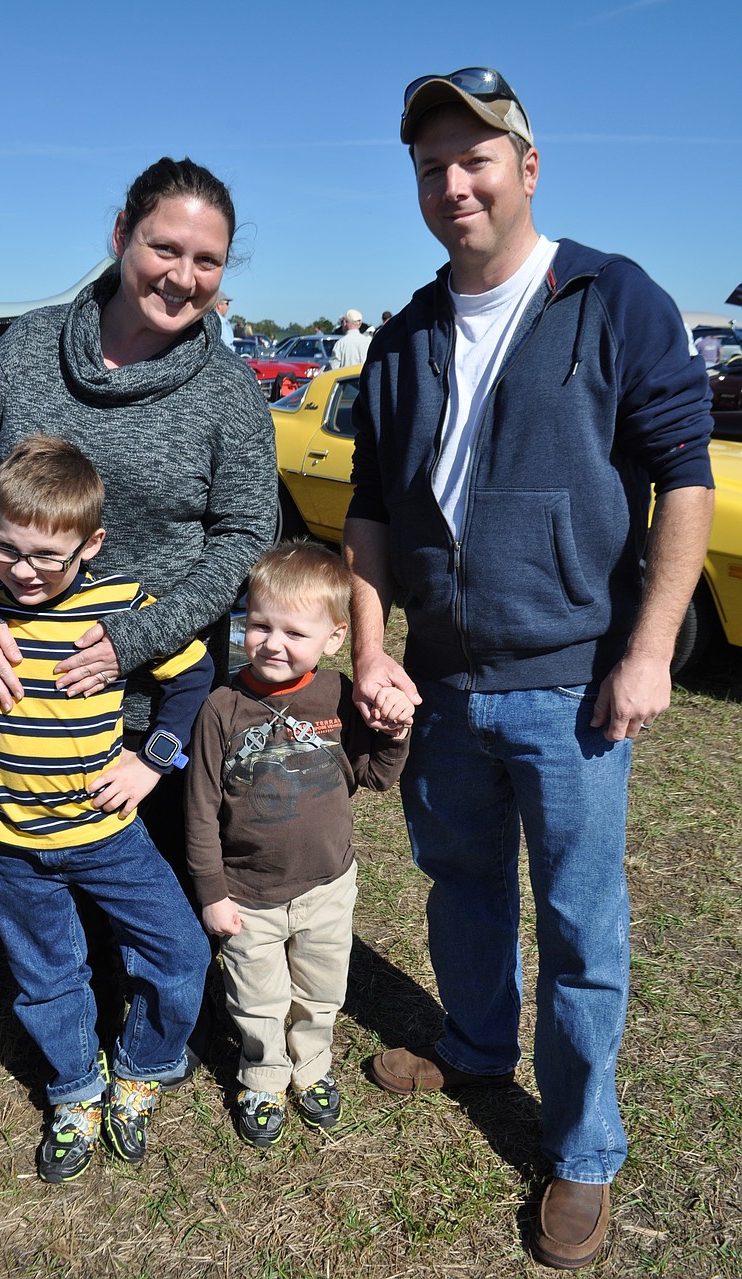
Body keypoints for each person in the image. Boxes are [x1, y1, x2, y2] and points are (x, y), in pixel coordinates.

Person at [343, 66, 714, 1269]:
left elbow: (686, 480)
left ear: (527, 166)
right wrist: (370, 646)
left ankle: (583, 1146)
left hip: (574, 689)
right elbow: (368, 514)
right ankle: (472, 1044)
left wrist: (648, 649)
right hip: (443, 685)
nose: (452, 184)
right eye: (430, 167)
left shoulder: (612, 297)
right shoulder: (402, 337)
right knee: (458, 885)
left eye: (475, 159)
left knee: (578, 924)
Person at [0, 156, 277, 1023]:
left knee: (153, 890)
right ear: (121, 234)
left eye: (207, 260)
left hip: (159, 692)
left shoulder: (228, 390)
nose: (184, 276)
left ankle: (153, 1040)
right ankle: (71, 1040)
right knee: (52, 902)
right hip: (29, 684)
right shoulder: (30, 347)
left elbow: (245, 533)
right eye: (165, 248)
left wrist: (134, 640)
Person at [0, 436, 214, 1183]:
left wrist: (152, 761)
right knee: (47, 977)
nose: (23, 570)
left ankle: (143, 1066)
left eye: (47, 556)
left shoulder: (122, 604)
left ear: (91, 544)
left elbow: (193, 676)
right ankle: (74, 1089)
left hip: (109, 834)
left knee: (181, 953)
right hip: (13, 843)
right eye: (7, 549)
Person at [184, 542, 413, 1147]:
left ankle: (310, 1065)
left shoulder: (339, 696)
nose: (272, 643)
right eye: (260, 625)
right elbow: (200, 811)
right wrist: (211, 893)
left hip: (328, 887)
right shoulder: (221, 709)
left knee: (321, 989)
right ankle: (263, 1075)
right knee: (255, 996)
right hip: (247, 896)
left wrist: (394, 734)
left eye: (294, 632)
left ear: (334, 638)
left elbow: (375, 777)